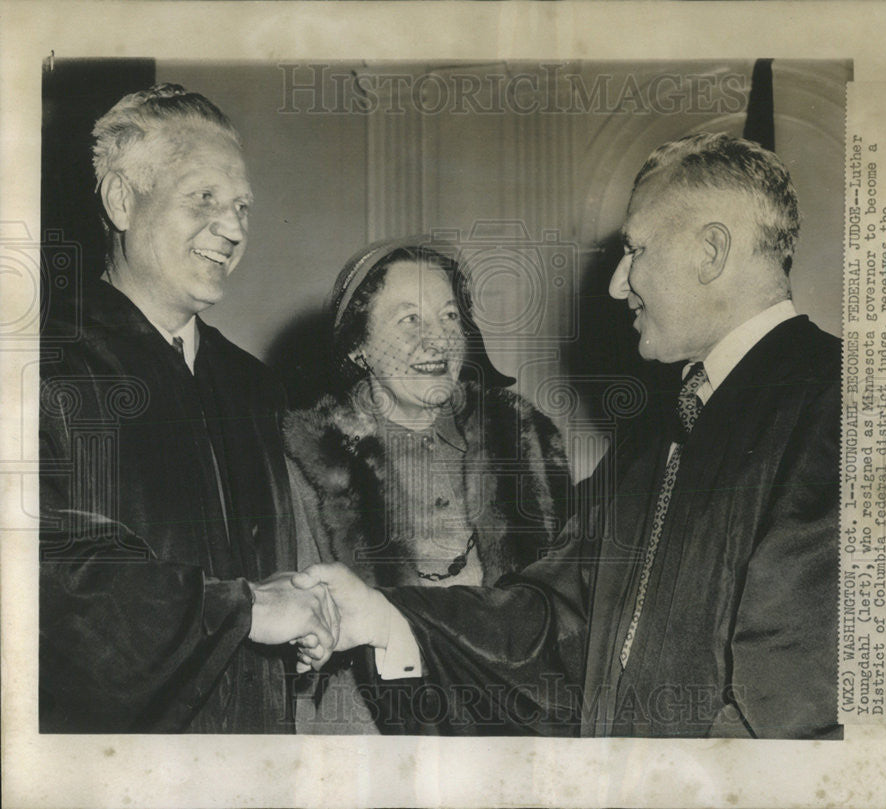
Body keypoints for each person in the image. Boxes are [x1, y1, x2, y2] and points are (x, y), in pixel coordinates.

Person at [292, 133, 843, 739]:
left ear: (710, 253)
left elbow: (795, 708)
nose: (616, 283)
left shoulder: (842, 404)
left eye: (635, 250)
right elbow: (550, 621)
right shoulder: (657, 433)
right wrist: (387, 613)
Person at [38, 84, 337, 733]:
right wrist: (248, 608)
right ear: (122, 199)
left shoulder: (251, 387)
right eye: (204, 198)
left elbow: (246, 577)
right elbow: (46, 582)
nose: (232, 229)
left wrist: (294, 613)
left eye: (242, 207)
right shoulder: (42, 366)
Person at [285, 241, 571, 733]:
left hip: (516, 723)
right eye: (409, 320)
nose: (437, 340)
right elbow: (298, 664)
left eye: (450, 317)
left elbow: (571, 620)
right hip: (374, 734)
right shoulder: (310, 465)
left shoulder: (526, 443)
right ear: (359, 345)